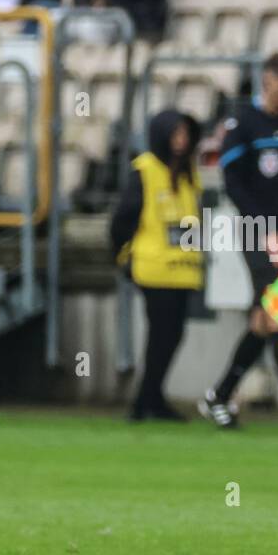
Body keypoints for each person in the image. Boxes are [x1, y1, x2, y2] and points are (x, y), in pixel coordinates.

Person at [199, 53, 278, 431]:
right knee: (274, 313)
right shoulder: (243, 125)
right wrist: (261, 225)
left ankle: (219, 396)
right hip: (258, 231)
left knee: (265, 317)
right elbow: (233, 183)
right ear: (266, 84)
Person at [110, 110, 203, 421]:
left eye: (185, 134)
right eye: (175, 133)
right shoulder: (145, 169)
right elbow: (122, 218)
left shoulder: (189, 172)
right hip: (154, 267)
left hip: (183, 268)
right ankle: (145, 402)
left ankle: (151, 398)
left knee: (171, 335)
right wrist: (122, 254)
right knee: (162, 334)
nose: (182, 140)